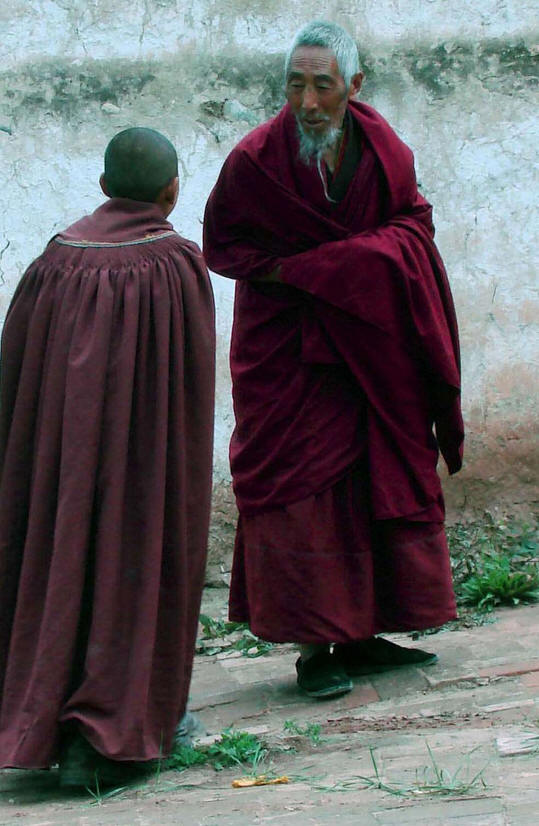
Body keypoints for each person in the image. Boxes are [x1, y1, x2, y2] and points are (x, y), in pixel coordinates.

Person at [203, 21, 464, 699]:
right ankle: (313, 648)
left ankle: (363, 632)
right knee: (302, 495)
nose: (308, 101)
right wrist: (306, 276)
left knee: (370, 483)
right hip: (289, 355)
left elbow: (412, 225)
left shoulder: (383, 151)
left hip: (371, 350)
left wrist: (338, 264)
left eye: (322, 85)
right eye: (295, 85)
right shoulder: (255, 161)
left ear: (352, 85)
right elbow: (224, 247)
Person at [0, 128, 215, 786]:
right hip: (141, 465)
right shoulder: (175, 262)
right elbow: (189, 388)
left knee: (58, 567)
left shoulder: (54, 260)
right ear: (172, 190)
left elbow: (19, 370)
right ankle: (117, 730)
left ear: (104, 188)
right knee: (131, 567)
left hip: (59, 469)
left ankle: (42, 726)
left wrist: (44, 463)